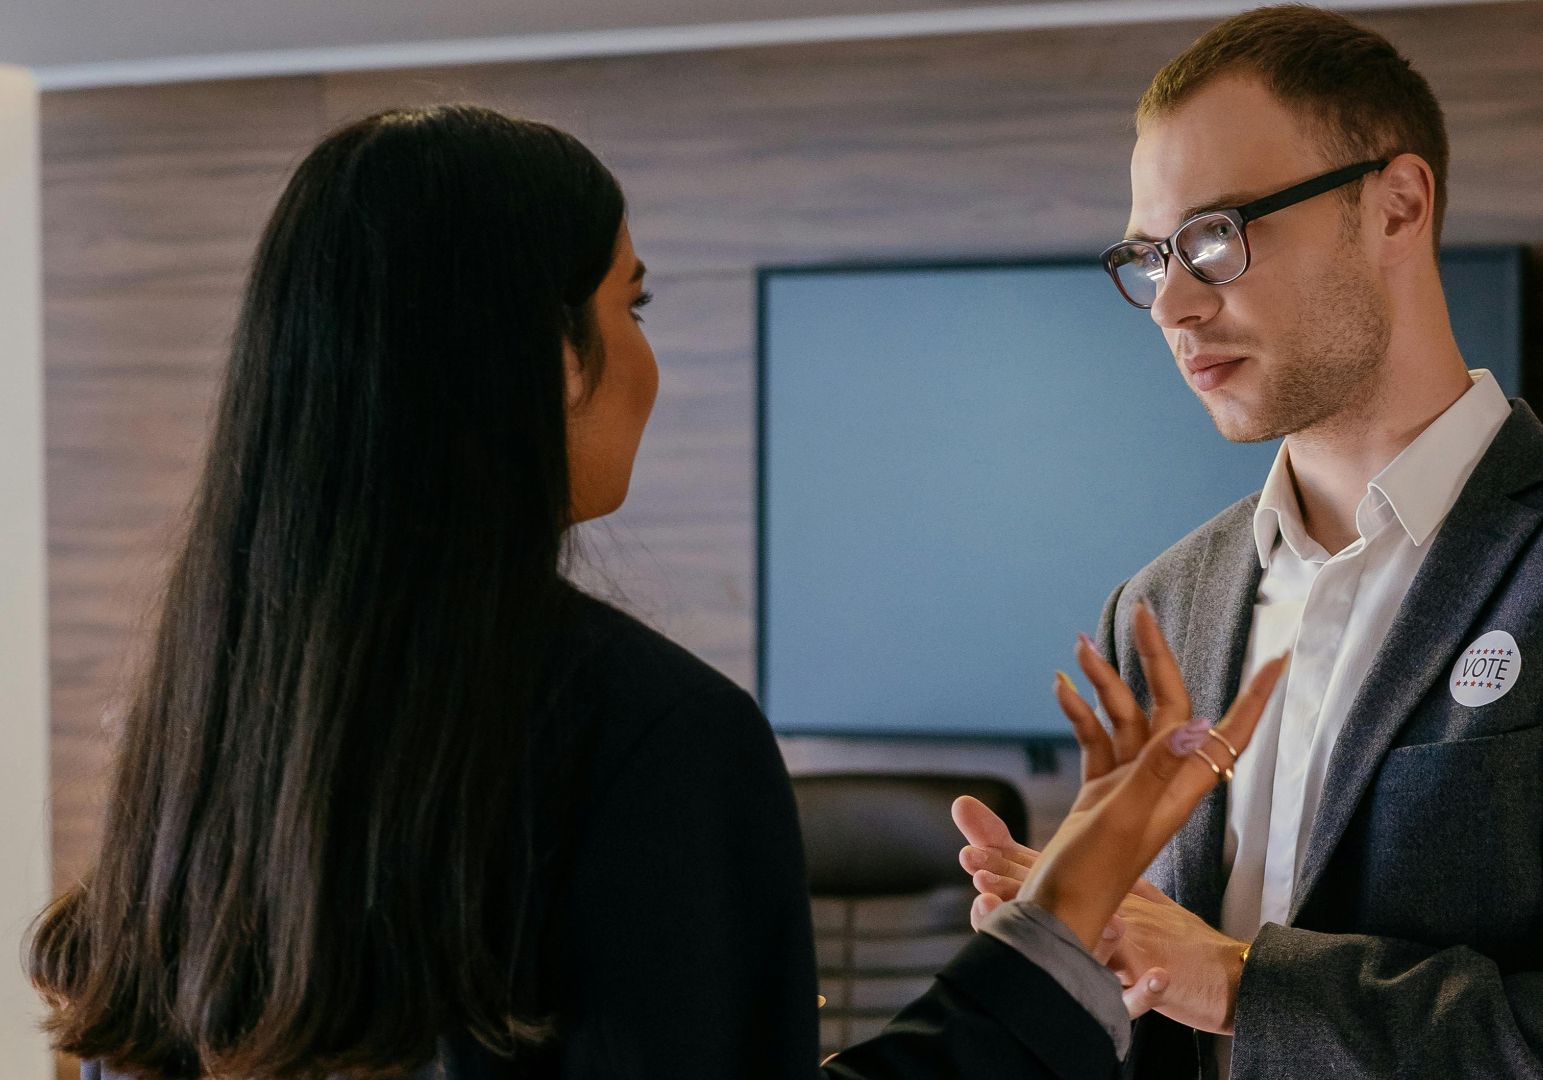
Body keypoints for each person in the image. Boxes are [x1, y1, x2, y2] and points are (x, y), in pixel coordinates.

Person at [24, 104, 1289, 1080]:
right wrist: (1065, 913)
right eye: (629, 306)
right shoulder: (650, 736)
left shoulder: (192, 722)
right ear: (540, 359)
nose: (651, 365)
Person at [955, 7, 1543, 1078]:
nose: (1170, 300)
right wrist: (1060, 975)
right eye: (1150, 253)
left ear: (1396, 206)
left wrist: (1242, 981)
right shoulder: (1161, 607)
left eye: (1216, 235)